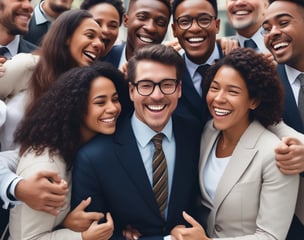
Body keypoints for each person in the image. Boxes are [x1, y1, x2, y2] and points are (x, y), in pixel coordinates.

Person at [71, 44, 202, 239]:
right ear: (132, 91)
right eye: (146, 85)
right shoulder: (93, 157)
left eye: (167, 84)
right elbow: (95, 235)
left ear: (179, 89)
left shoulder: (196, 133)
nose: (157, 96)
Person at [170, 47, 299, 240]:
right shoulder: (208, 132)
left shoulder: (275, 154)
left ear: (253, 101)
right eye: (214, 88)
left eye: (233, 91)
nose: (219, 99)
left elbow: (271, 236)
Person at [0, 8, 104, 237]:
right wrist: (16, 186)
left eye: (102, 40)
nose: (99, 44)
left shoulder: (83, 92)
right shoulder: (29, 66)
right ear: (66, 36)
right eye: (90, 35)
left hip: (38, 206)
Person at [8, 61, 125, 240]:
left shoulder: (84, 147)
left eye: (115, 99)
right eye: (100, 102)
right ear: (76, 108)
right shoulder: (47, 164)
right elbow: (28, 238)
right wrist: (82, 237)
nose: (112, 108)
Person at [262, 0, 304, 239]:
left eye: (283, 22)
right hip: (291, 227)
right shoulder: (263, 85)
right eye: (267, 28)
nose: (273, 33)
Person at [171, 0, 223, 126]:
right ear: (174, 30)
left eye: (204, 20)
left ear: (217, 25)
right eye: (184, 22)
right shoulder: (169, 72)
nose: (194, 28)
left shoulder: (237, 63)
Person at [102, 0, 171, 69]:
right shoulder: (102, 58)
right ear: (126, 20)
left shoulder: (171, 69)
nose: (150, 28)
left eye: (160, 23)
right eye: (142, 17)